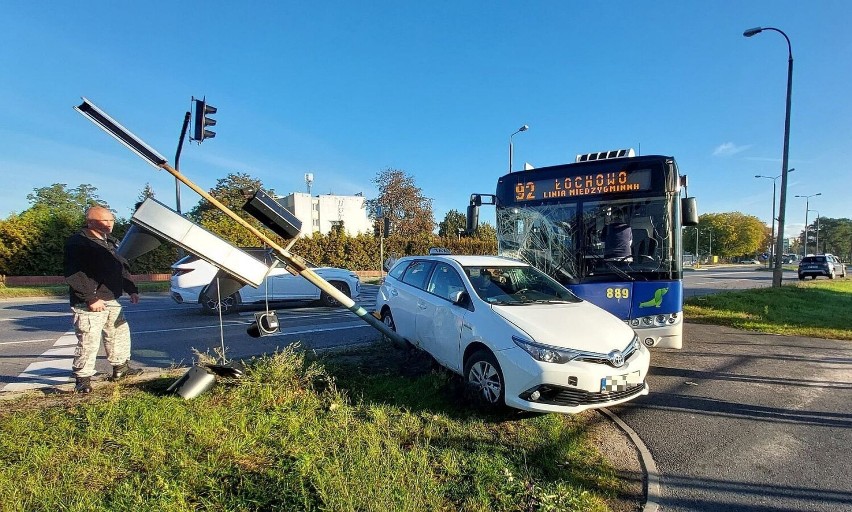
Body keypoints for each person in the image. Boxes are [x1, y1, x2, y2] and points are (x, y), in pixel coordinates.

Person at [64, 206, 142, 393]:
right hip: (90, 302)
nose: (109, 224)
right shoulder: (78, 243)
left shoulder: (111, 242)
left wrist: (131, 289)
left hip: (112, 298)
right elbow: (74, 273)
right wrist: (90, 298)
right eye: (104, 221)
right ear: (90, 222)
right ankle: (83, 380)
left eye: (111, 221)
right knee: (89, 340)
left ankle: (121, 369)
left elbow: (122, 267)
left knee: (118, 334)